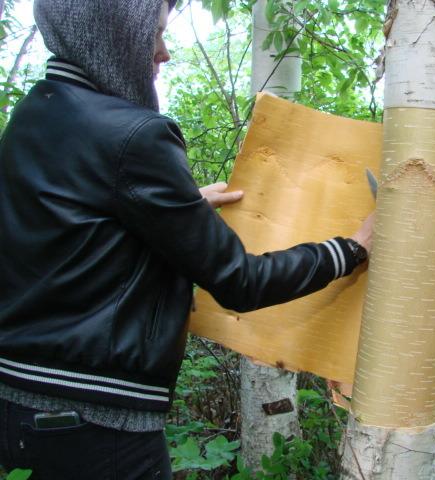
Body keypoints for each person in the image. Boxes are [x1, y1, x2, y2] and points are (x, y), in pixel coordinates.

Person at [0, 1, 374, 478]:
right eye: (152, 34)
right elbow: (242, 281)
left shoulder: (36, 112)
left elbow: (64, 227)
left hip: (16, 405)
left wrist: (167, 210)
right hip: (95, 422)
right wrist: (351, 248)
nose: (164, 53)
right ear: (113, 33)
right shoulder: (135, 136)